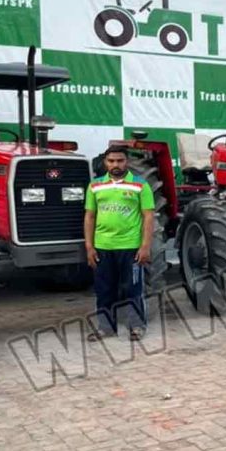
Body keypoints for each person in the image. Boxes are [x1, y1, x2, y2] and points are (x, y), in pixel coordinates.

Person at [84, 146, 155, 341]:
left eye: (120, 161)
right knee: (103, 290)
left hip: (130, 247)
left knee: (134, 289)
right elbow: (89, 216)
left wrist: (145, 246)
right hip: (102, 248)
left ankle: (137, 327)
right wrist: (89, 247)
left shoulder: (140, 185)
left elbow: (148, 217)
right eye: (111, 161)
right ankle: (106, 328)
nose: (116, 165)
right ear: (105, 163)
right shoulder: (95, 186)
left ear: (127, 162)